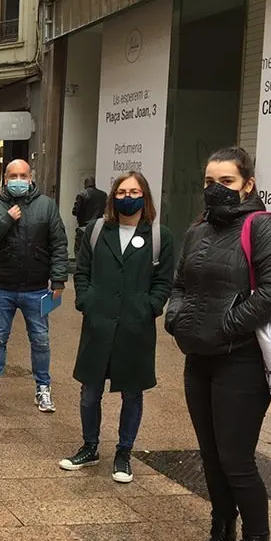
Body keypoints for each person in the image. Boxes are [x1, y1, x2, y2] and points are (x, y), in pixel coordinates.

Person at [165, 147, 271, 541]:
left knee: (236, 460)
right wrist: (176, 316)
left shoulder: (265, 227)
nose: (216, 189)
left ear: (248, 185)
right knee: (211, 455)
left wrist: (226, 327)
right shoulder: (197, 231)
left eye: (227, 181)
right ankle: (221, 539)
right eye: (210, 181)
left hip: (240, 361)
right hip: (198, 359)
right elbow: (180, 283)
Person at [58, 171, 173, 483]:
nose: (127, 197)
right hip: (99, 322)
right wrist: (86, 300)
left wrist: (149, 307)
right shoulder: (97, 230)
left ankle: (124, 452)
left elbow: (164, 282)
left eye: (134, 191)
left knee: (132, 392)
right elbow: (81, 272)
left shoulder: (160, 236)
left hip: (136, 326)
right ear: (113, 197)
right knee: (89, 390)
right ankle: (90, 447)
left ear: (145, 196)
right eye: (121, 192)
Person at [0, 159, 68, 413]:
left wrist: (58, 279)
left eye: (22, 175)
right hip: (1, 287)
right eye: (13, 175)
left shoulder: (46, 206)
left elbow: (58, 243)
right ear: (5, 179)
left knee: (40, 340)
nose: (18, 180)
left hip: (36, 289)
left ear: (30, 177)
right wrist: (6, 219)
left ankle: (43, 388)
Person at [72, 177, 107, 254]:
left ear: (85, 184)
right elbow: (106, 210)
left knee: (80, 252)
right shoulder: (103, 195)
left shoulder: (82, 194)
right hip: (98, 227)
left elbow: (75, 211)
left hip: (84, 227)